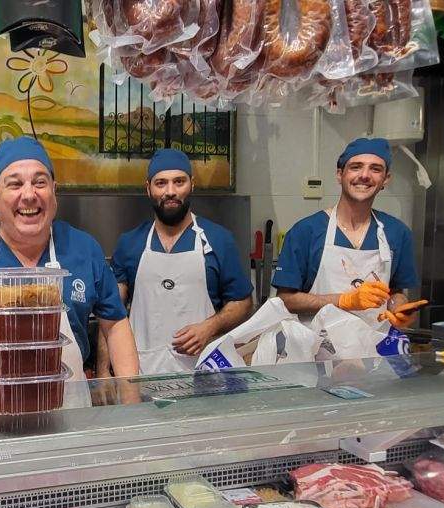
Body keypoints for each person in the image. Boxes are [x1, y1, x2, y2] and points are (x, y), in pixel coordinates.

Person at [0, 136, 140, 408]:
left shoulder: (84, 249)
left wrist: (132, 402)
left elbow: (115, 323)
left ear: (54, 191)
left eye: (40, 182)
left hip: (69, 409)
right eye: (14, 184)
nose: (29, 195)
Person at [108, 149, 253, 375]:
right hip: (141, 371)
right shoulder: (130, 243)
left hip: (203, 373)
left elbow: (243, 302)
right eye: (161, 183)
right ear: (148, 188)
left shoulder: (219, 240)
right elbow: (110, 311)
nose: (170, 191)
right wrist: (104, 371)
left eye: (179, 182)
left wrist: (210, 326)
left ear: (192, 184)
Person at [272, 137, 423, 327]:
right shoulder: (306, 232)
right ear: (339, 174)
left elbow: (396, 292)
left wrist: (399, 308)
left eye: (376, 169)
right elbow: (285, 300)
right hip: (317, 343)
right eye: (356, 167)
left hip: (373, 343)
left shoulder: (398, 233)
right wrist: (343, 300)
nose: (365, 175)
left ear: (386, 179)